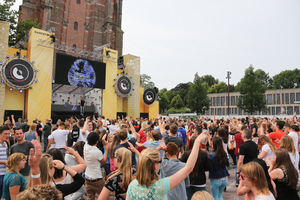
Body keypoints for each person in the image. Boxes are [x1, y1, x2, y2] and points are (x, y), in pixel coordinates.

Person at [126, 132, 208, 200]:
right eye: (160, 161)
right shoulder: (160, 186)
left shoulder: (132, 185)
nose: (162, 162)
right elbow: (189, 168)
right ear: (155, 165)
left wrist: (157, 149)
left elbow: (145, 158)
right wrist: (197, 141)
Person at [84, 132, 110, 200]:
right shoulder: (97, 151)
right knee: (105, 196)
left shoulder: (85, 146)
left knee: (90, 198)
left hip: (87, 178)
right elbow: (104, 162)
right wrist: (106, 150)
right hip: (97, 179)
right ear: (97, 141)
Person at [0, 125, 10, 199]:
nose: (7, 135)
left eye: (8, 134)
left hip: (4, 173)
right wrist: (3, 162)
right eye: (5, 134)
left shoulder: (6, 144)